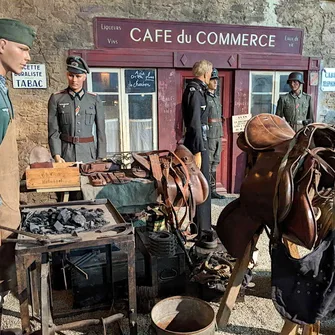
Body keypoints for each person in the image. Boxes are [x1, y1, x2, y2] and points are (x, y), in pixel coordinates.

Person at [0, 19, 36, 335]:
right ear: (1, 45)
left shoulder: (3, 89)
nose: (27, 57)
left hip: (7, 205)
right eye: (22, 48)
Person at [182, 59, 217, 248]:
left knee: (204, 187)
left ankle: (204, 226)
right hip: (198, 144)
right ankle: (201, 230)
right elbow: (195, 124)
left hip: (201, 141)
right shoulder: (194, 91)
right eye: (211, 72)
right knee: (201, 187)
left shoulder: (198, 89)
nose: (211, 75)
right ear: (205, 73)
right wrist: (197, 150)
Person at [48, 56, 107, 163]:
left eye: (78, 76)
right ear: (67, 75)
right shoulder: (57, 98)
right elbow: (53, 130)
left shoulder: (94, 99)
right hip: (66, 154)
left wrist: (101, 156)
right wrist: (56, 155)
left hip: (89, 154)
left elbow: (101, 130)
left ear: (84, 77)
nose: (74, 80)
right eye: (71, 75)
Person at [206, 68, 225, 199]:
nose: (215, 82)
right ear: (207, 81)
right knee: (209, 161)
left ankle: (213, 190)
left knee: (216, 161)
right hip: (210, 134)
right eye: (213, 80)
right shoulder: (204, 97)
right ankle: (207, 190)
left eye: (216, 80)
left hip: (218, 133)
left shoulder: (216, 98)